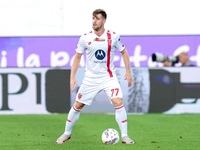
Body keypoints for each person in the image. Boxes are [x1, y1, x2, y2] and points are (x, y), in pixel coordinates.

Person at [56, 9, 135, 144]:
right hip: (91, 79)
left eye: (97, 18)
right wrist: (72, 76)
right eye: (93, 18)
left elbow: (124, 52)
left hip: (109, 77)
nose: (94, 21)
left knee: (118, 102)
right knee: (78, 104)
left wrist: (128, 72)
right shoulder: (85, 38)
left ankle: (125, 136)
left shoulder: (114, 36)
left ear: (104, 21)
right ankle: (66, 133)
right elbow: (77, 57)